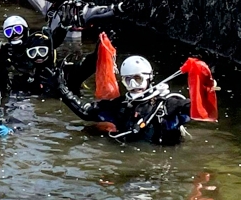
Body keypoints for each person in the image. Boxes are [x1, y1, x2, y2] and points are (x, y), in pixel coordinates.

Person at [55, 55, 191, 144]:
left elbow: (198, 110)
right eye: (128, 80)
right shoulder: (120, 105)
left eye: (138, 79)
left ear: (149, 78)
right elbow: (86, 112)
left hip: (160, 166)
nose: (133, 85)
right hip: (129, 158)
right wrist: (63, 90)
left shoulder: (167, 104)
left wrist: (203, 86)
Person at [22, 0, 121, 44]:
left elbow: (100, 11)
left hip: (73, 46)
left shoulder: (82, 9)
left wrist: (117, 8)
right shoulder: (50, 8)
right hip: (54, 45)